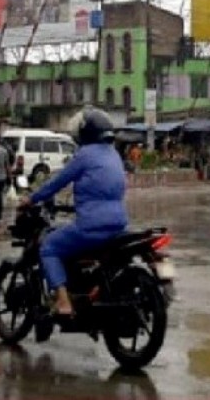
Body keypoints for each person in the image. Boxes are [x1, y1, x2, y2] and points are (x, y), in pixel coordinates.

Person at [18, 107, 128, 317]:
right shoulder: (114, 155)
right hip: (119, 224)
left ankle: (63, 301)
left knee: (49, 246)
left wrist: (30, 199)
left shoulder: (84, 155)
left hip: (92, 226)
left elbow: (57, 182)